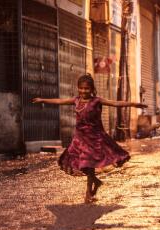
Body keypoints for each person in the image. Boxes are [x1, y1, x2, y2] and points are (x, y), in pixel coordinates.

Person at [32, 74, 147, 203]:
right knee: (80, 163)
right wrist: (43, 100)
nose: (83, 91)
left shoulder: (97, 101)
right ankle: (96, 182)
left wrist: (134, 104)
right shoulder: (76, 100)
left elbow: (116, 103)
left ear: (92, 89)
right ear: (78, 88)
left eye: (86, 89)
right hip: (80, 138)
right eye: (81, 88)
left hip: (95, 138)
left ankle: (88, 193)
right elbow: (59, 101)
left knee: (88, 163)